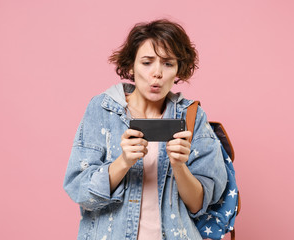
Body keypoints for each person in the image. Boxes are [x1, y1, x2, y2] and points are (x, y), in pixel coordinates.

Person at [63, 19, 227, 240]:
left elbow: (199, 204)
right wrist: (123, 162)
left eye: (168, 64)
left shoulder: (192, 116)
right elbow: (80, 191)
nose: (157, 73)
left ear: (178, 69)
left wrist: (179, 166)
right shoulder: (103, 109)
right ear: (131, 66)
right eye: (147, 62)